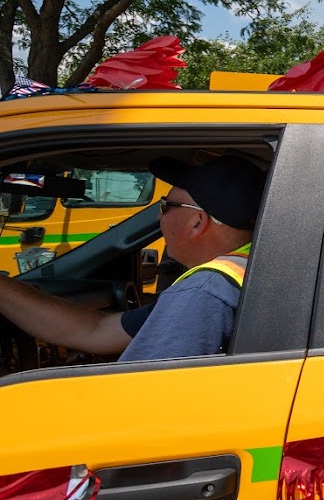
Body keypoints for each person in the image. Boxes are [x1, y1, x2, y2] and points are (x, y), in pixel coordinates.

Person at [0, 154, 267, 362]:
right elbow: (97, 330)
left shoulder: (205, 290)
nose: (159, 216)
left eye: (165, 206)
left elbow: (136, 401)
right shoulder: (253, 268)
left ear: (197, 222)